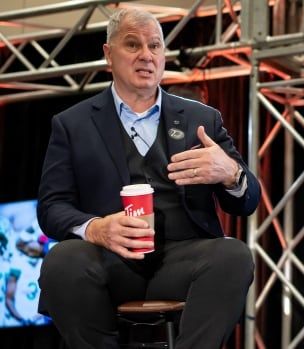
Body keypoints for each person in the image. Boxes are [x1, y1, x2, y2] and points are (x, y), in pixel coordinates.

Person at [36, 7, 260, 349]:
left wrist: (230, 173)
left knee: (233, 256)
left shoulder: (202, 119)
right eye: (132, 45)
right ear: (108, 55)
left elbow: (248, 201)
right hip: (109, 263)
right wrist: (96, 228)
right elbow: (51, 208)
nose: (146, 55)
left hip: (183, 261)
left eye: (155, 46)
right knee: (62, 262)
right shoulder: (72, 124)